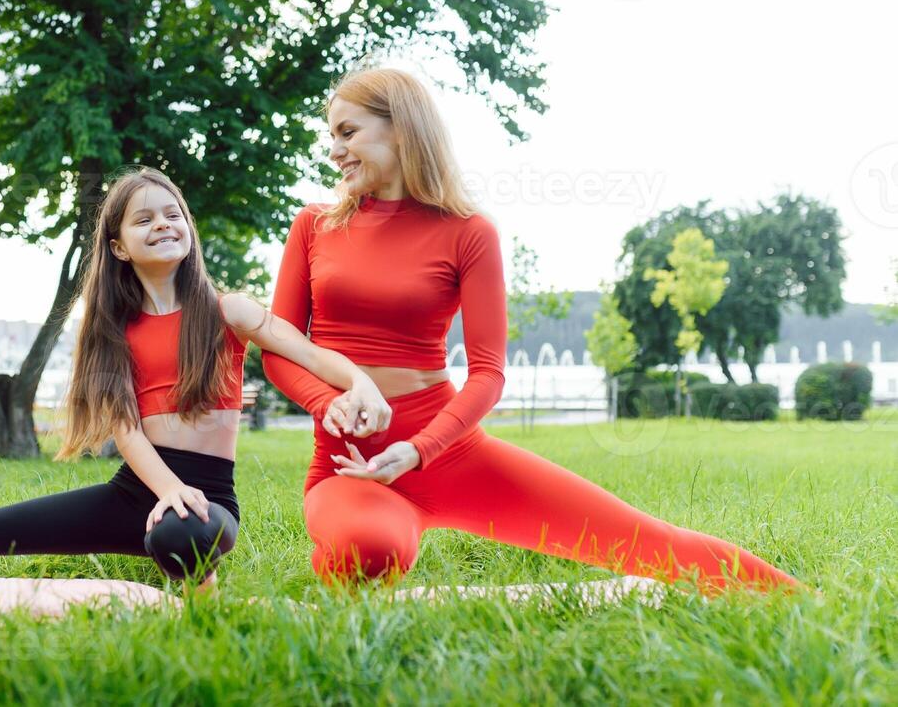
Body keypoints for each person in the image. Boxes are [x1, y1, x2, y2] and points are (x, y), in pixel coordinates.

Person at [262, 67, 803, 596]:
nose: (334, 151)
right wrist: (326, 405)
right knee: (370, 551)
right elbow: (278, 349)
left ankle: (808, 605)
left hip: (449, 450)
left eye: (347, 132)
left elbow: (488, 375)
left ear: (401, 128)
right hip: (348, 461)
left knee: (647, 541)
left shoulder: (469, 233)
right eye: (331, 136)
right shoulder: (315, 226)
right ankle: (349, 542)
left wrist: (419, 449)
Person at [0, 166, 389, 612]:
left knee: (184, 532)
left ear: (189, 229)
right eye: (143, 218)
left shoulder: (229, 310)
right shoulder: (111, 331)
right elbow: (125, 428)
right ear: (119, 245)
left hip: (207, 498)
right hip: (140, 488)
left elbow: (310, 353)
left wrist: (359, 381)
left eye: (173, 213)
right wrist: (166, 488)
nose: (163, 224)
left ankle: (206, 604)